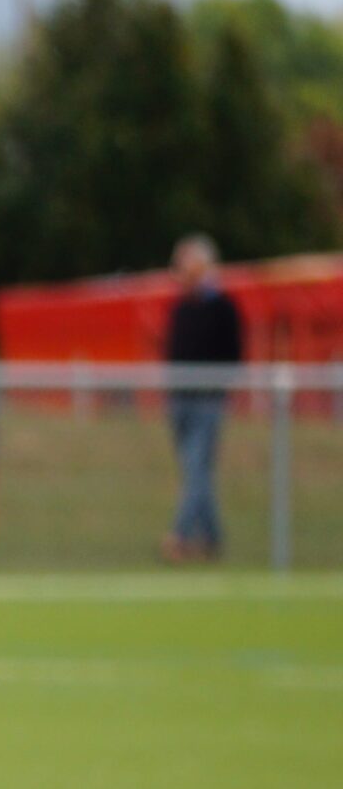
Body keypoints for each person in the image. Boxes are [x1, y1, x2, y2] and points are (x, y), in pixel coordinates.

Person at [161, 233, 244, 563]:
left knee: (196, 470)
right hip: (180, 400)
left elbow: (233, 356)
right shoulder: (181, 308)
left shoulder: (222, 308)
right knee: (197, 473)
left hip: (207, 402)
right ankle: (212, 537)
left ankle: (179, 536)